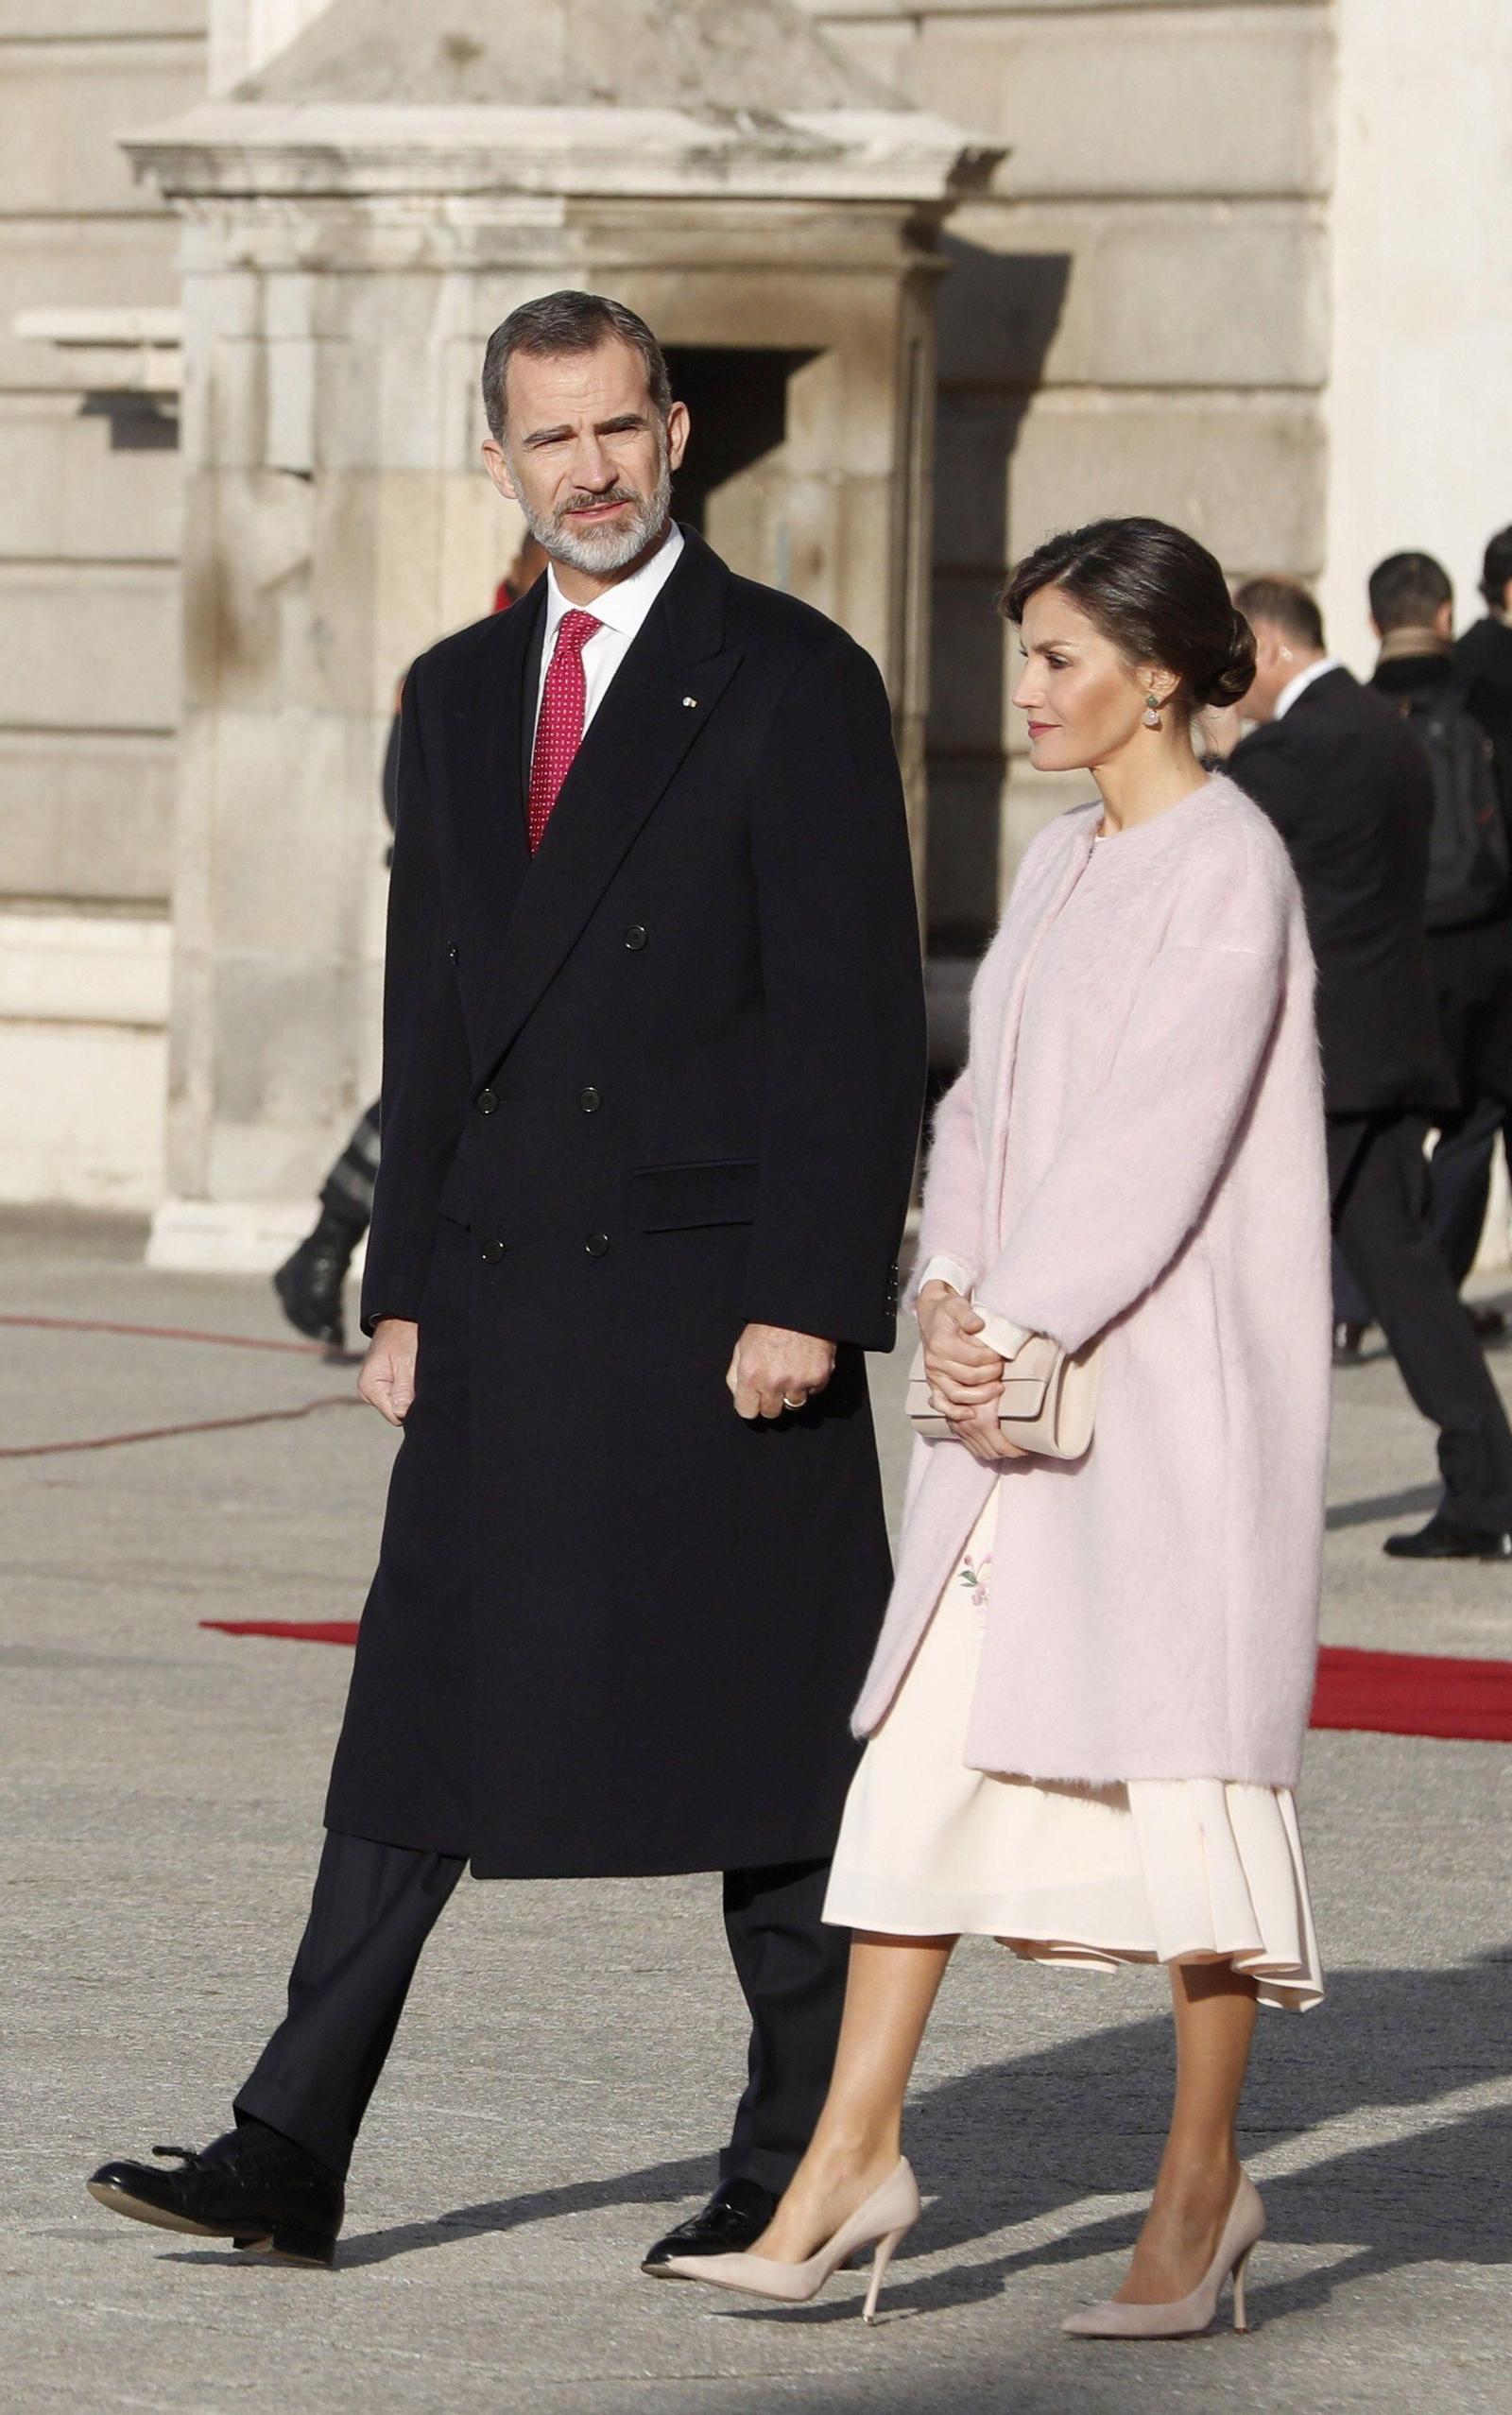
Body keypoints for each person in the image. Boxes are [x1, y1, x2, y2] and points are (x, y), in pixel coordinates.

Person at [87, 290, 926, 2268]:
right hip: (500, 1290)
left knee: (770, 1740)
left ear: (675, 430)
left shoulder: (792, 676)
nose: (590, 470)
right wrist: (399, 1283)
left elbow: (857, 1020)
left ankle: (800, 2156)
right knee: (416, 1719)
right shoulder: (457, 692)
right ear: (498, 459)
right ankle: (288, 2143)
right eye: (551, 438)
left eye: (619, 428)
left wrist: (814, 1291)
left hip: (716, 1304)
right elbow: (435, 1006)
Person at [661, 516, 1329, 2338]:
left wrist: (1011, 1317)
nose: (1022, 689)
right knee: (914, 1774)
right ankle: (844, 2162)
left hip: (1167, 1414)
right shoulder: (1053, 860)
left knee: (1187, 1802)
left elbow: (1158, 1137)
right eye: (1022, 651)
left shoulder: (1230, 866)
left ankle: (1199, 2196)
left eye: (1056, 657)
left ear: (1162, 676)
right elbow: (981, 1111)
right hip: (1012, 1407)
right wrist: (950, 1284)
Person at [1227, 575, 1512, 1560]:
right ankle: (1484, 1484)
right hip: (1388, 1045)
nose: (1225, 682)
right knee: (1407, 1280)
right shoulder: (1382, 730)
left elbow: (1200, 854)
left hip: (1322, 1063)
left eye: (1232, 658)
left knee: (1247, 1281)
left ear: (1269, 647)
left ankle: (1237, 1501)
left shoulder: (1291, 751)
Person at [274, 536, 549, 1353]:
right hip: (472, 922)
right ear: (518, 574)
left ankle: (326, 1244)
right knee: (438, 1084)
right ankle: (330, 1245)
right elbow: (411, 798)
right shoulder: (456, 671)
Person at [1364, 552, 1512, 1337]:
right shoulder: (1486, 699)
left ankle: (1354, 1303)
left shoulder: (1353, 712)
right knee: (1473, 1119)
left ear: (1374, 621)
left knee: (1375, 1127)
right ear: (1446, 614)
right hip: (1482, 946)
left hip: (1383, 948)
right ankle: (1432, 1300)